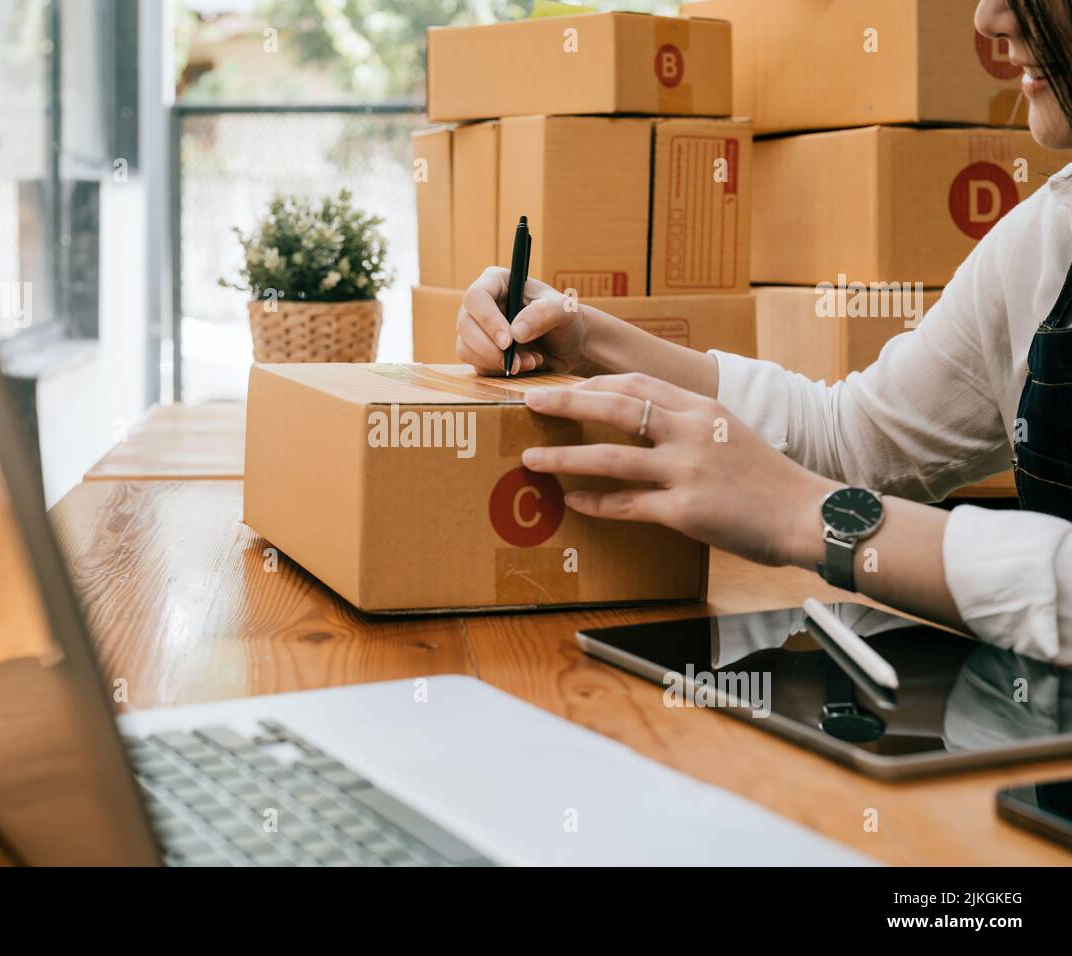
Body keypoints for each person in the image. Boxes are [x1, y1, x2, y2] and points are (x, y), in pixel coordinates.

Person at [454, 0, 1072, 664]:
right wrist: (584, 339)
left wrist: (805, 517)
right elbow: (857, 440)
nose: (987, 18)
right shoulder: (1047, 234)